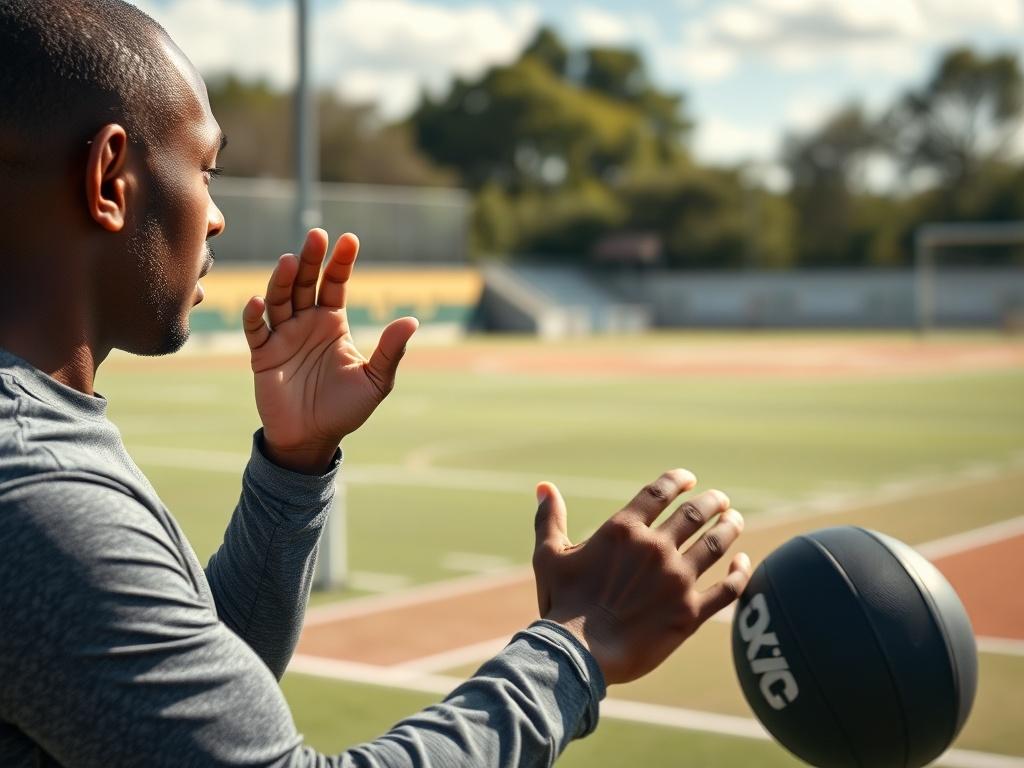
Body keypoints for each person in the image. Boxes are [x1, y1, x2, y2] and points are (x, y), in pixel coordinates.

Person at [0, 1, 752, 765]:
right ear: (110, 178)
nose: (218, 216)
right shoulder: (39, 492)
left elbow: (181, 697)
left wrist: (292, 470)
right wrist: (574, 648)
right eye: (206, 169)